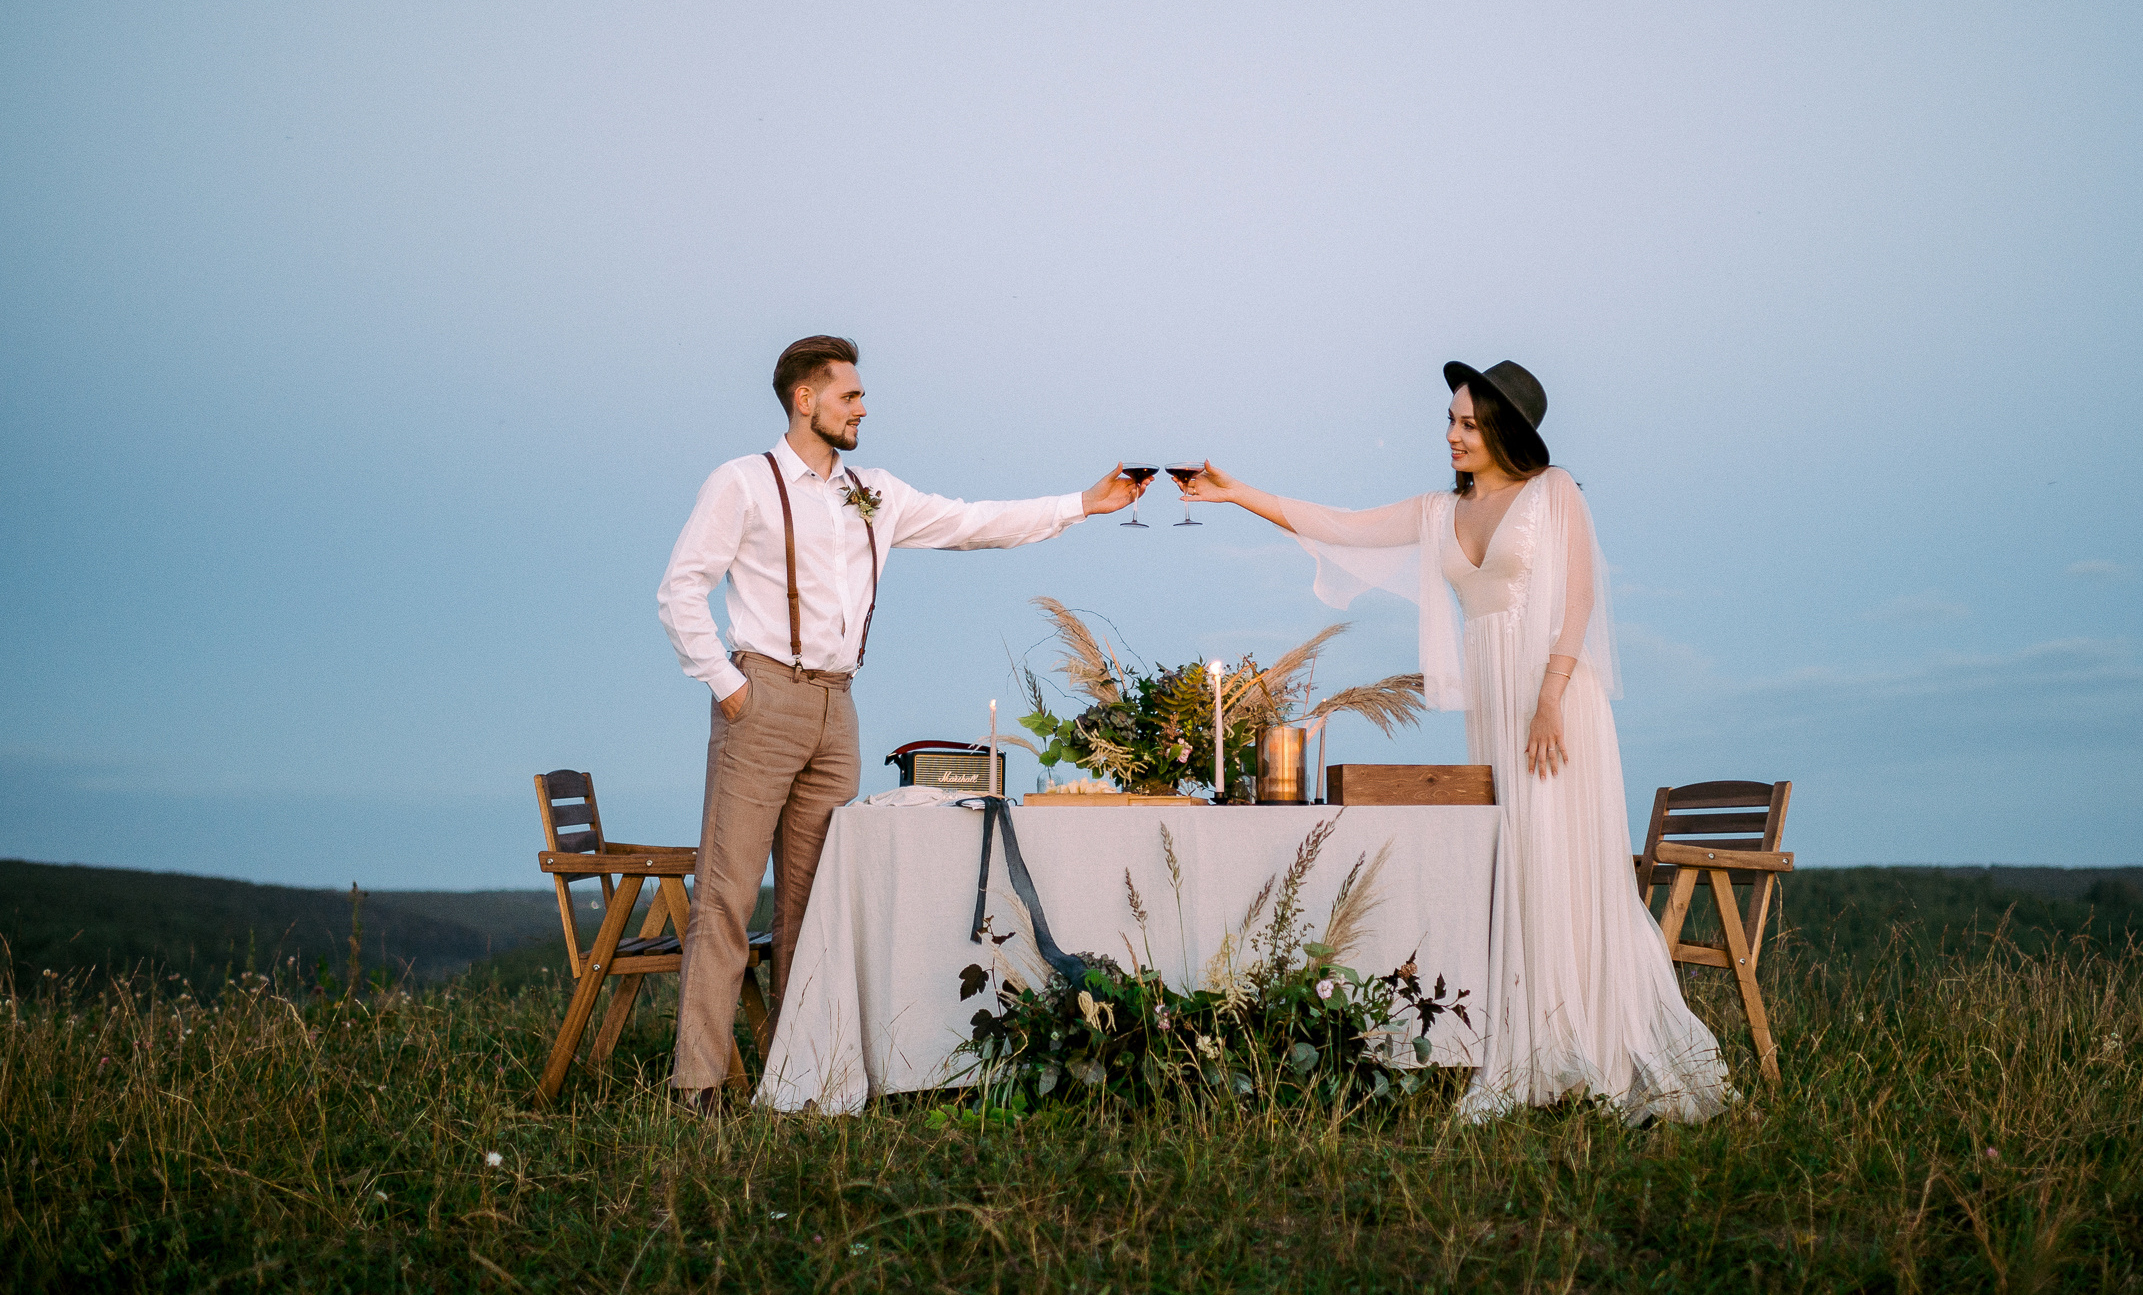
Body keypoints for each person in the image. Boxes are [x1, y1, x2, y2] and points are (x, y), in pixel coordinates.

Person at [1176, 359, 1729, 1123]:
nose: (1452, 434)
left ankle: (1594, 1041)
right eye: (1450, 419)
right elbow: (1340, 524)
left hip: (1556, 703)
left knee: (1561, 855)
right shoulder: (1442, 511)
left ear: (1504, 429)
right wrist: (1237, 493)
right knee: (1518, 860)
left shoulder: (1553, 491)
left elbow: (1578, 599)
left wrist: (1551, 697)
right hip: (1495, 706)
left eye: (1468, 423)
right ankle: (1535, 1042)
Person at [658, 334, 1146, 1111]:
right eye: (849, 394)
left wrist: (1082, 504)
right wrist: (730, 687)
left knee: (812, 905)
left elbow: (972, 521)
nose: (863, 406)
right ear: (805, 400)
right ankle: (698, 1086)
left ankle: (799, 1078)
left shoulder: (874, 491)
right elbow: (681, 588)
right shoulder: (743, 482)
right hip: (763, 697)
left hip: (838, 707)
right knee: (727, 896)